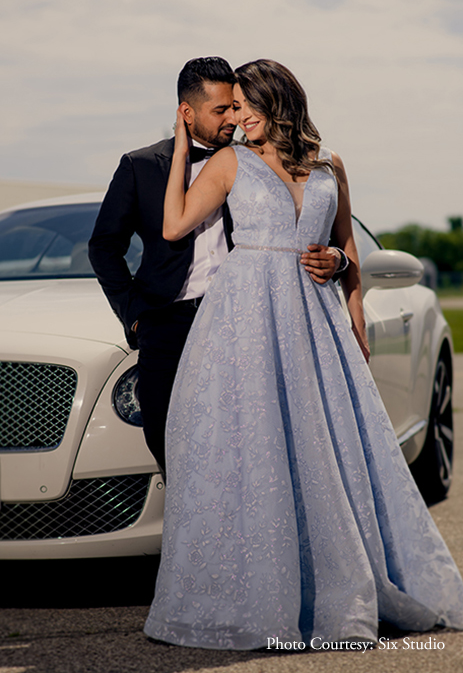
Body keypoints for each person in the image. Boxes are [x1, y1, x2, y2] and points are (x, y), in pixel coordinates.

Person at [144, 59, 463, 649]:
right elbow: (172, 226)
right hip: (242, 324)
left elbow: (346, 248)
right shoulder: (227, 162)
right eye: (231, 108)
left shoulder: (328, 164)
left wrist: (348, 288)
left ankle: (340, 584)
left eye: (243, 106)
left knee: (330, 449)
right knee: (252, 450)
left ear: (274, 103)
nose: (235, 117)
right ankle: (254, 593)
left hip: (316, 324)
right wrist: (183, 153)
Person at [88, 57, 342, 474]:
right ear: (186, 113)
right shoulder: (141, 166)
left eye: (236, 107)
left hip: (244, 322)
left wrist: (337, 257)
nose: (235, 119)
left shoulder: (255, 163)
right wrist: (134, 315)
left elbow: (307, 227)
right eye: (222, 110)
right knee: (169, 443)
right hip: (167, 322)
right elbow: (103, 246)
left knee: (249, 449)